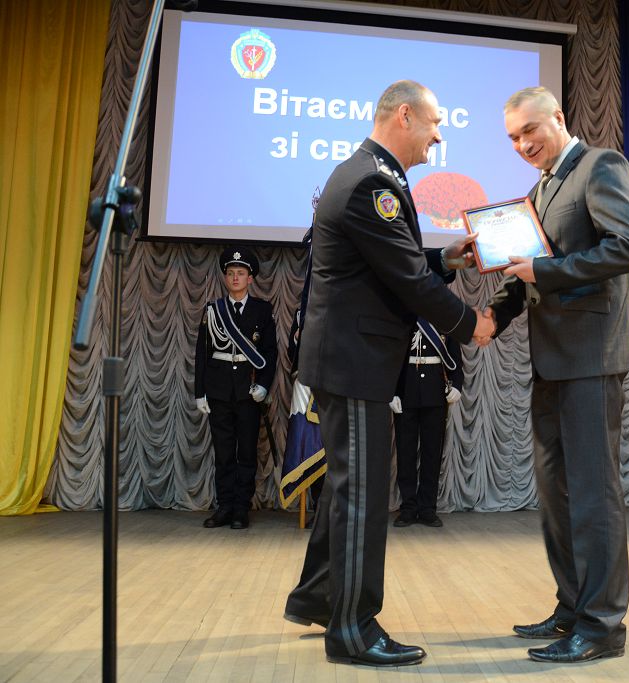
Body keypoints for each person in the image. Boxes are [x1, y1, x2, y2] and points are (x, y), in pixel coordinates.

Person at [282, 80, 494, 668]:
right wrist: (470, 324)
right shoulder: (371, 184)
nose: (438, 136)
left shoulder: (366, 174)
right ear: (404, 115)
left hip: (350, 358)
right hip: (356, 362)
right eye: (434, 123)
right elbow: (405, 279)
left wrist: (444, 259)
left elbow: (388, 262)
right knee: (363, 494)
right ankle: (353, 629)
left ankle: (318, 598)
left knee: (347, 487)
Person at [478, 86, 629, 664]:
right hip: (551, 360)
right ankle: (572, 606)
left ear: (558, 117)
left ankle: (602, 626)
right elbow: (523, 270)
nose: (522, 144)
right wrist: (491, 318)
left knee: (594, 494)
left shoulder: (601, 165)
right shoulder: (539, 189)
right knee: (556, 491)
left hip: (592, 357)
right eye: (512, 137)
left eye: (530, 130)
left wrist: (547, 270)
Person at [194, 246, 278, 530]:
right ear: (225, 277)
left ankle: (241, 508)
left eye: (241, 273)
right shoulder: (213, 310)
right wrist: (199, 392)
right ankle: (225, 506)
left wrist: (263, 385)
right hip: (219, 390)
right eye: (231, 273)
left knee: (247, 454)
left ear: (250, 278)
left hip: (247, 392)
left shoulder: (262, 310)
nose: (235, 278)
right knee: (223, 453)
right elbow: (202, 353)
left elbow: (270, 352)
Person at [391, 318, 463, 528]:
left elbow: (454, 354)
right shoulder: (404, 316)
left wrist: (457, 384)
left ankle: (427, 508)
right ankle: (408, 508)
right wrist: (391, 391)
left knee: (432, 453)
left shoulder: (443, 317)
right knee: (405, 452)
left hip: (435, 390)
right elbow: (392, 356)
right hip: (406, 390)